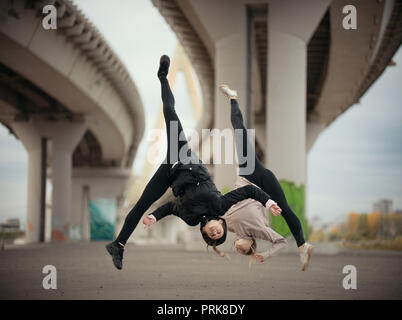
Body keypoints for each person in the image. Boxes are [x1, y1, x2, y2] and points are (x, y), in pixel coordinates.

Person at [106, 55, 280, 270]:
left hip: (170, 172)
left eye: (213, 237)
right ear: (222, 224)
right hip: (185, 157)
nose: (216, 234)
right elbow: (250, 192)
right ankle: (162, 77)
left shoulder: (189, 219)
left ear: (205, 233)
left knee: (142, 204)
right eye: (220, 233)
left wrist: (153, 216)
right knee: (170, 112)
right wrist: (269, 202)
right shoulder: (221, 205)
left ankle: (117, 245)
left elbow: (170, 207)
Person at [215, 84, 314, 271]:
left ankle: (233, 98)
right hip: (262, 180)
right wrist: (265, 255)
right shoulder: (261, 232)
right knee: (284, 209)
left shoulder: (230, 226)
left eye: (237, 250)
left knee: (238, 132)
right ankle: (303, 246)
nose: (238, 249)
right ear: (251, 244)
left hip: (246, 174)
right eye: (243, 251)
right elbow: (281, 242)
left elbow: (213, 221)